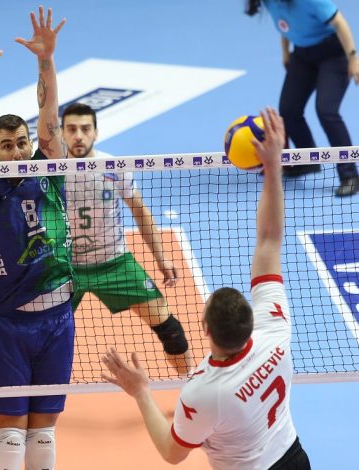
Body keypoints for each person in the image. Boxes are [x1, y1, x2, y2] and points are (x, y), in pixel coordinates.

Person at [101, 108, 311, 469]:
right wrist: (273, 167)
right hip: (295, 458)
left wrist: (140, 392)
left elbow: (172, 453)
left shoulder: (204, 390)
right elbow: (270, 240)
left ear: (206, 329)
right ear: (251, 320)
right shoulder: (274, 331)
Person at [0, 7, 73, 469]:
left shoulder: (50, 169)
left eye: (22, 141)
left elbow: (50, 115)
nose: (18, 149)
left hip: (59, 317)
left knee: (43, 435)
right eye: (6, 145)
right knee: (9, 437)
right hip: (10, 323)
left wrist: (46, 59)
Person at [61, 103, 196, 376]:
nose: (79, 136)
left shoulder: (114, 167)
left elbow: (140, 211)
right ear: (62, 133)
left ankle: (190, 386)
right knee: (41, 337)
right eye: (72, 129)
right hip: (65, 268)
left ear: (96, 132)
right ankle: (23, 394)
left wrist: (161, 257)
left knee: (170, 330)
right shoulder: (52, 170)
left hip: (115, 262)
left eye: (85, 129)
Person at [246, 0, 359, 197]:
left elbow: (339, 22)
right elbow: (284, 23)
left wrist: (353, 59)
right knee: (289, 110)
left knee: (326, 111)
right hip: (302, 55)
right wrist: (285, 52)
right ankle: (307, 160)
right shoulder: (268, 1)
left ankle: (350, 175)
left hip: (333, 54)